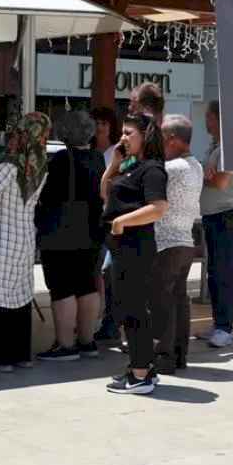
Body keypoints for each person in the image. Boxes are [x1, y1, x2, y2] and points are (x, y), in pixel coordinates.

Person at [0, 113, 50, 372]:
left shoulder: (9, 165)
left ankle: (1, 357)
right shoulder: (42, 166)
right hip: (25, 235)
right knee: (20, 295)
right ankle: (22, 354)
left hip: (2, 236)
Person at [101, 114, 168, 394]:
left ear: (145, 136)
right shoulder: (130, 166)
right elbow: (105, 195)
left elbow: (159, 207)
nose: (123, 138)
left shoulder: (152, 169)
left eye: (129, 133)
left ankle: (140, 373)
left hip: (135, 247)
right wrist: (113, 166)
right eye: (123, 133)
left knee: (133, 309)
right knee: (124, 307)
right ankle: (141, 368)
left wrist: (122, 221)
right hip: (121, 247)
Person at [35, 110, 106, 362]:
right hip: (92, 231)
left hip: (61, 233)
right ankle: (87, 342)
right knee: (86, 285)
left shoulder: (61, 160)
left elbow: (45, 195)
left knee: (62, 287)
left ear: (64, 133)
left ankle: (65, 345)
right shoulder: (98, 159)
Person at [151, 114, 202, 373]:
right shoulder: (196, 166)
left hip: (167, 243)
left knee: (163, 302)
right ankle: (180, 355)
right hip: (185, 240)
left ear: (171, 140)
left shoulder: (173, 169)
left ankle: (164, 357)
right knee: (179, 300)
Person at [199, 100, 233, 349]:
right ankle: (218, 323)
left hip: (229, 217)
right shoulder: (215, 147)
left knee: (224, 273)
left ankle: (224, 328)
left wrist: (202, 175)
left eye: (208, 117)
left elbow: (219, 181)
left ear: (218, 118)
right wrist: (205, 174)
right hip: (214, 217)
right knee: (214, 273)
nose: (205, 121)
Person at [89, 106, 122, 342]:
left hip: (109, 220)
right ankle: (97, 318)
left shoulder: (115, 153)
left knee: (106, 272)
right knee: (95, 273)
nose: (100, 127)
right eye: (96, 122)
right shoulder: (89, 151)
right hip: (89, 220)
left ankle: (109, 321)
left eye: (104, 123)